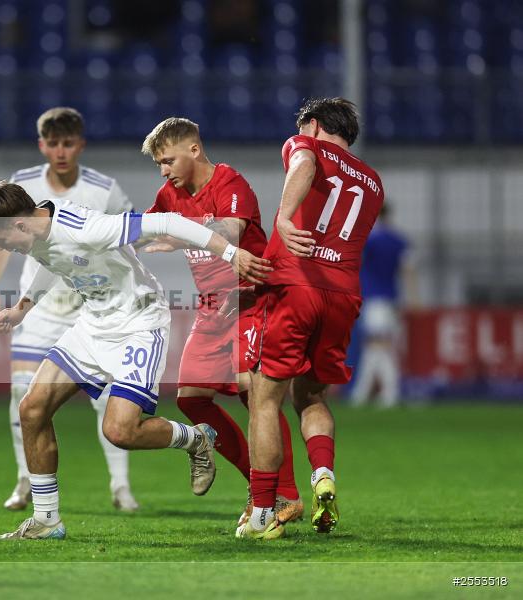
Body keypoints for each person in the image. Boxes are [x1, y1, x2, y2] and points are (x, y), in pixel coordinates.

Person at [0, 180, 271, 540]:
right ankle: (46, 520)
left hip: (139, 324)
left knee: (119, 431)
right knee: (32, 409)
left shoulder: (87, 229)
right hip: (93, 324)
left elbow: (168, 222)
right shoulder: (37, 232)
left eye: (0, 240)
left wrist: (229, 254)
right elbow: (53, 261)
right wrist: (22, 310)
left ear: (18, 225)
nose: (1, 247)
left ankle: (196, 439)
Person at [139, 118, 303, 526]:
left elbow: (228, 231)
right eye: (158, 164)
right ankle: (260, 483)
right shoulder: (169, 193)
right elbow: (144, 229)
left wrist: (176, 231)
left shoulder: (230, 183)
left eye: (168, 160)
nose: (164, 171)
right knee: (191, 398)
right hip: (212, 307)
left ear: (194, 149)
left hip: (251, 301)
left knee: (255, 397)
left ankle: (283, 494)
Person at [238, 98, 384, 539]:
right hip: (342, 295)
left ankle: (263, 511)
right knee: (312, 396)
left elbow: (302, 160)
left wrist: (283, 216)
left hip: (296, 287)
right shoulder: (374, 182)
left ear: (314, 125)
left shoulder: (306, 144)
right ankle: (323, 475)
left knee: (264, 398)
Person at [0, 107, 140, 512]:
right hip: (37, 309)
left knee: (106, 400)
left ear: (81, 145)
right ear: (42, 145)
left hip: (88, 310)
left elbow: (126, 236)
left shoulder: (104, 189)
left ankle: (121, 486)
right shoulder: (22, 184)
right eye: (53, 143)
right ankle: (24, 481)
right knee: (23, 395)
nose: (61, 151)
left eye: (68, 143)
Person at [351, 203, 416, 408]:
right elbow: (408, 270)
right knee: (378, 346)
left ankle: (387, 394)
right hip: (391, 298)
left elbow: (354, 264)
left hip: (373, 297)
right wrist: (413, 297)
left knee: (377, 345)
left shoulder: (368, 240)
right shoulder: (400, 240)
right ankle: (364, 393)